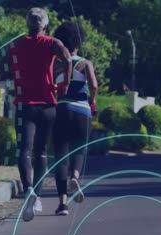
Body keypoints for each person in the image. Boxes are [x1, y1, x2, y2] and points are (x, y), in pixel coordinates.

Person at [9, 8, 72, 222]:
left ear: (28, 24)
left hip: (25, 105)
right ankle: (37, 197)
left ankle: (28, 190)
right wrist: (64, 83)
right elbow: (67, 59)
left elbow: (3, 69)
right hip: (48, 106)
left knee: (24, 149)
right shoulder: (52, 43)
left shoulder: (17, 43)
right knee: (41, 152)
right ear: (45, 25)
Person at [52, 22, 98, 216]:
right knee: (79, 149)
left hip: (60, 110)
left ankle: (63, 204)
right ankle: (76, 177)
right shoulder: (85, 63)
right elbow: (94, 86)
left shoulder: (56, 62)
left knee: (61, 156)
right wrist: (92, 102)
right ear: (78, 43)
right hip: (82, 112)